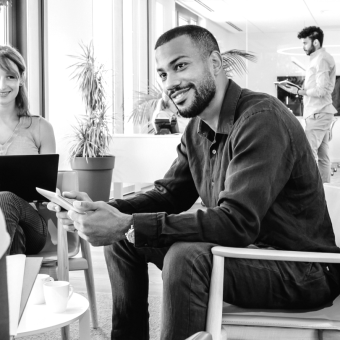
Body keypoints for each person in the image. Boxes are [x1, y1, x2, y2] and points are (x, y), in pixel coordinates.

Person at [49, 25, 340, 340]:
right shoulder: (197, 130)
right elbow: (168, 195)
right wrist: (105, 210)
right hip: (245, 255)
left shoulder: (261, 119)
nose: (170, 83)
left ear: (215, 64)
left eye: (180, 66)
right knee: (124, 240)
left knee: (186, 256)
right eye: (163, 74)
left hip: (302, 270)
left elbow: (236, 222)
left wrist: (128, 223)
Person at [0, 45, 56, 255]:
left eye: (10, 76)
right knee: (14, 239)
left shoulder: (41, 128)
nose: (2, 85)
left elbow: (48, 192)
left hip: (32, 223)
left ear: (21, 78)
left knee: (5, 199)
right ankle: (10, 286)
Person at [286, 26, 337, 183]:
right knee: (323, 156)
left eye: (305, 43)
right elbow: (320, 88)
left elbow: (321, 90)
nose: (303, 47)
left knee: (309, 155)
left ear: (315, 42)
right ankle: (325, 193)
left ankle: (311, 194)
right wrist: (302, 90)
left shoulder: (321, 59)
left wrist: (301, 92)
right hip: (321, 112)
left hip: (318, 113)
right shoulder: (319, 59)